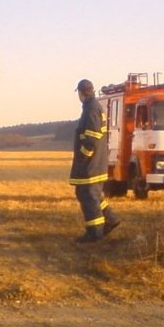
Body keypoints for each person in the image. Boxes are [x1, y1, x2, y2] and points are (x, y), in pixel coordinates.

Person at [69, 79, 120, 243]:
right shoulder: (93, 106)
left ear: (81, 93)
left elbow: (92, 137)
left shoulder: (91, 108)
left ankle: (95, 233)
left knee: (87, 196)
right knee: (93, 195)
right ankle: (110, 219)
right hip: (96, 162)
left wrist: (84, 155)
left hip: (90, 164)